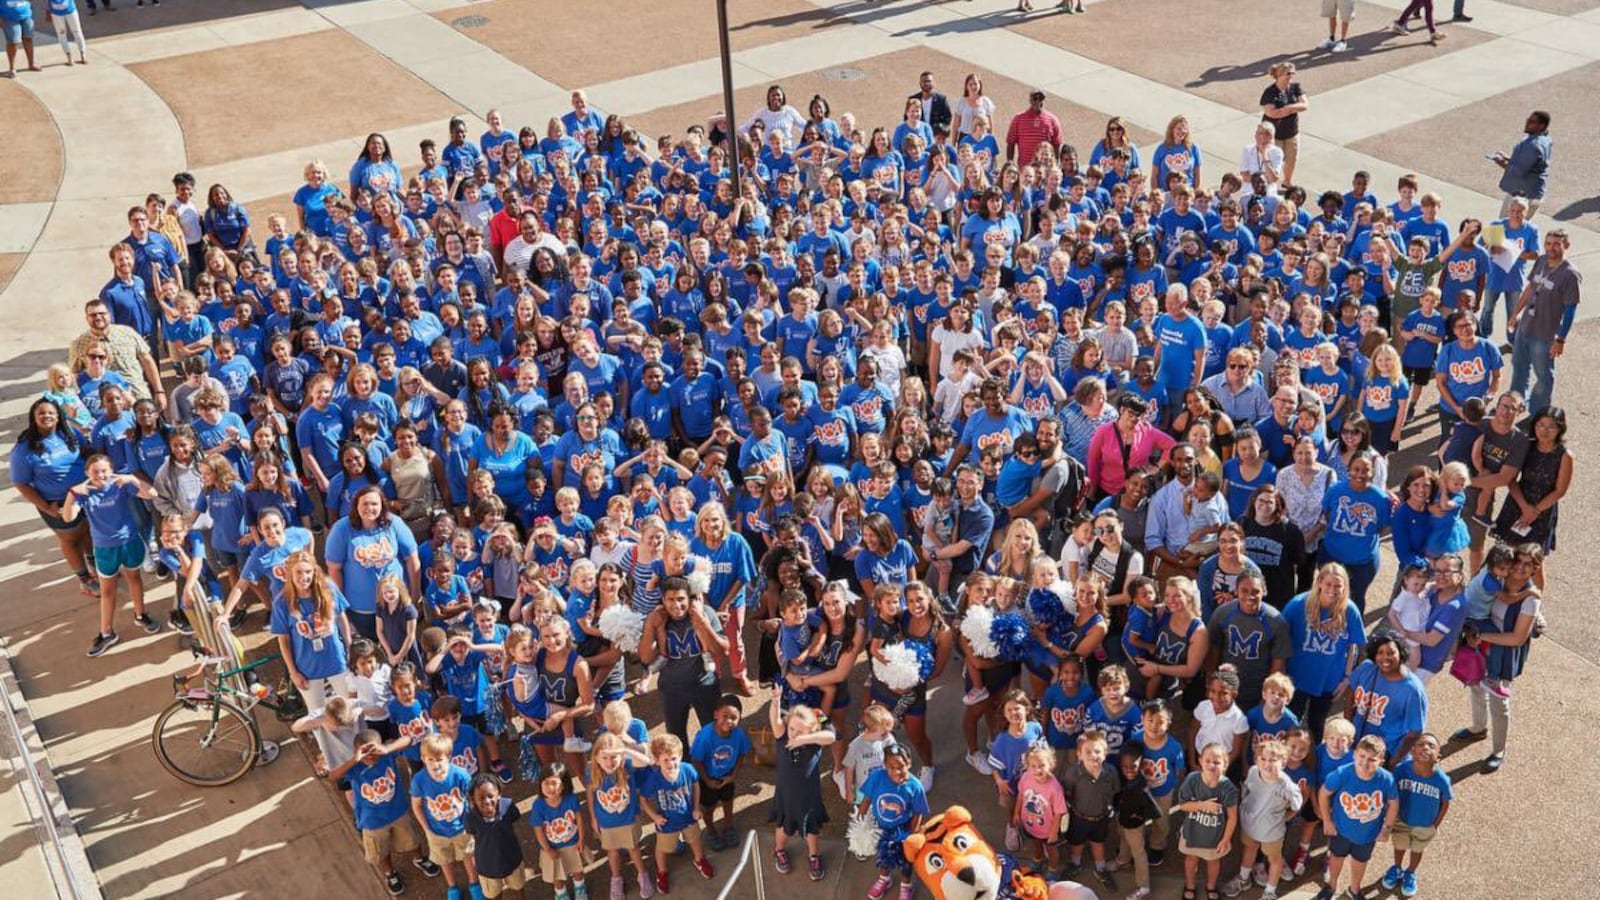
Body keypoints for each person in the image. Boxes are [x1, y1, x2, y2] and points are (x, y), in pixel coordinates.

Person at [1313, 735, 1399, 900]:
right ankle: (1331, 885)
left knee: (1360, 861)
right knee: (1336, 857)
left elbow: (1393, 803)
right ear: (1354, 754)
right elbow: (1323, 793)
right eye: (1362, 756)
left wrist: (1386, 828)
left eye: (1372, 759)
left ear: (1381, 761)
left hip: (1367, 834)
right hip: (1341, 830)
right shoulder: (1342, 773)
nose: (1365, 763)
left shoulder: (1386, 779)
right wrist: (1326, 820)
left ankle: (1354, 889)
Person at [1506, 229, 1580, 417]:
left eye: (1556, 244)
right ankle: (1516, 402)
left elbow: (1570, 310)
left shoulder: (1569, 274)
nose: (1551, 248)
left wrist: (1560, 340)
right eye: (1548, 243)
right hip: (1526, 326)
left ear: (1566, 246)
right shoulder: (1540, 261)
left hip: (1545, 334)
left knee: (1543, 376)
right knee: (1519, 366)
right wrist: (1515, 313)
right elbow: (1530, 288)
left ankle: (1537, 412)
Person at [1383, 732, 1452, 898]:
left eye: (1431, 746)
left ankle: (1410, 872)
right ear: (1412, 751)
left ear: (1438, 757)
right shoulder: (1401, 770)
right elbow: (1391, 795)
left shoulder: (1441, 779)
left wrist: (1435, 825)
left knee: (1417, 849)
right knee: (1399, 846)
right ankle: (1397, 868)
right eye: (1421, 744)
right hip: (1402, 820)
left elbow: (1446, 802)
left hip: (1425, 824)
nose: (1425, 748)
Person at [1174, 742, 1240, 900]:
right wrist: (1201, 805)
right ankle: (1190, 884)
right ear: (1200, 761)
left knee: (1213, 861)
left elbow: (1232, 817)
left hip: (1215, 835)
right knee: (1191, 859)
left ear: (1225, 764)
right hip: (1192, 832)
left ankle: (1211, 886)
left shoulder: (1228, 788)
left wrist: (1226, 839)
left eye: (1217, 762)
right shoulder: (1192, 779)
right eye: (1208, 760)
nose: (1211, 765)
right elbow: (1182, 805)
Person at [1492, 111, 1552, 217]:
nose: (1527, 123)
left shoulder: (1534, 145)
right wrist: (1509, 159)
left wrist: (1502, 163)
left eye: (1532, 122)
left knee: (1505, 228)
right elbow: (1531, 164)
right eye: (1528, 120)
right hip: (1531, 193)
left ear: (1541, 125)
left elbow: (1519, 172)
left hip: (1522, 197)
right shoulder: (1544, 139)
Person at [1258, 63, 1308, 188]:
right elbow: (1271, 113)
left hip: (1292, 131)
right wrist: (1293, 109)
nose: (1291, 76)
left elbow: (1305, 105)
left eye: (1293, 73)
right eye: (1288, 74)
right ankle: (1271, 184)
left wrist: (1286, 108)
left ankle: (1287, 181)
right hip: (1274, 135)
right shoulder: (1270, 92)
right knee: (1274, 160)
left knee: (1292, 159)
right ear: (1279, 75)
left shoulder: (1295, 88)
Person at [1005, 90, 1063, 168]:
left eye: (1041, 98)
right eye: (1035, 98)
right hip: (1025, 168)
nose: (1038, 101)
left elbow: (1057, 144)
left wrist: (1056, 164)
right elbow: (1010, 142)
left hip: (1045, 169)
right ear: (1030, 100)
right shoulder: (1019, 118)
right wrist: (1010, 163)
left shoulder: (1052, 120)